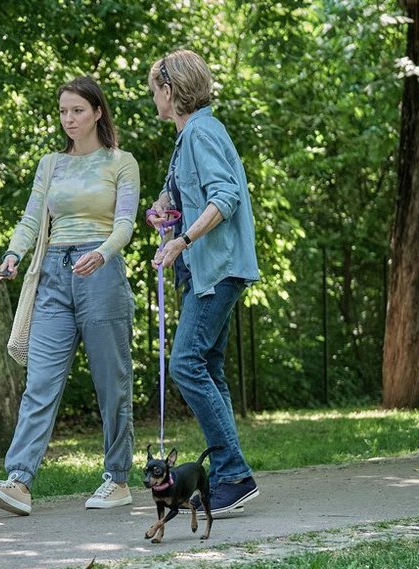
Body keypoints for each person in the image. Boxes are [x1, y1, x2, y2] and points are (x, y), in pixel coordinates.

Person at [0, 76, 141, 516]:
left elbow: (125, 224)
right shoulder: (51, 164)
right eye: (64, 111)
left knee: (112, 383)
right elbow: (32, 218)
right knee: (40, 382)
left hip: (101, 273)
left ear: (97, 113)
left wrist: (103, 254)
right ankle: (19, 481)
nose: (69, 120)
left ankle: (118, 478)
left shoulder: (121, 162)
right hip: (52, 272)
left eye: (78, 111)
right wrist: (13, 253)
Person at [145, 50, 261, 516]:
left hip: (216, 268)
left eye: (155, 89)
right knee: (208, 367)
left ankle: (234, 472)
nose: (153, 98)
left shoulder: (200, 132)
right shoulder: (193, 135)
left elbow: (225, 196)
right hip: (211, 268)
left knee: (186, 364)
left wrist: (183, 240)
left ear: (170, 92)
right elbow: (190, 195)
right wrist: (166, 210)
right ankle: (230, 478)